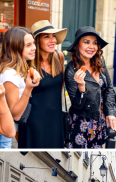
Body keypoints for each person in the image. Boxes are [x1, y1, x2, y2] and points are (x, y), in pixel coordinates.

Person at [64, 26, 116, 149]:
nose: (91, 46)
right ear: (77, 45)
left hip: (100, 120)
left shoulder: (100, 62)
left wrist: (110, 112)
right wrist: (81, 86)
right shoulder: (71, 70)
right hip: (82, 125)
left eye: (95, 43)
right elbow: (77, 105)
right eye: (86, 42)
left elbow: (109, 88)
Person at [17, 20, 67, 148]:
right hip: (34, 121)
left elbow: (59, 87)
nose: (53, 40)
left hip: (55, 118)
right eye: (47, 37)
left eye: (54, 36)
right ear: (37, 41)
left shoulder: (59, 56)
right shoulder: (27, 63)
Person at [0, 26, 41, 148]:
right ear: (16, 47)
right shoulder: (10, 73)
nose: (34, 48)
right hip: (2, 131)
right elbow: (15, 114)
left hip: (4, 127)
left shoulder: (17, 69)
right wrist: (28, 88)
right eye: (28, 45)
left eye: (34, 44)